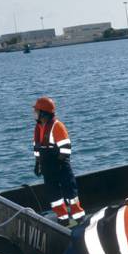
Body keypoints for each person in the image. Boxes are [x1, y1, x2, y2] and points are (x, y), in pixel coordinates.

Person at [32, 96, 85, 226]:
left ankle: (79, 218)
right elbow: (37, 147)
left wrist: (59, 164)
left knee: (70, 193)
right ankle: (63, 218)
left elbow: (66, 148)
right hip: (48, 168)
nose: (34, 114)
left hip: (60, 166)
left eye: (37, 111)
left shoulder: (57, 126)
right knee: (53, 195)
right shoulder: (38, 128)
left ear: (43, 113)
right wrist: (38, 163)